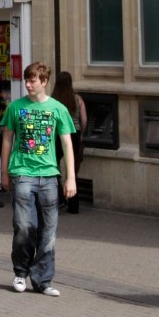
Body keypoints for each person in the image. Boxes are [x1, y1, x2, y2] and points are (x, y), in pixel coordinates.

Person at [0, 62, 76, 297]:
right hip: (22, 174)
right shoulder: (15, 108)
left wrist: (70, 177)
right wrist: (3, 172)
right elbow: (7, 140)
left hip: (49, 176)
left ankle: (42, 279)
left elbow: (66, 143)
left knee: (48, 232)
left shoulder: (58, 109)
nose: (28, 85)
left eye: (33, 81)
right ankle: (21, 272)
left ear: (44, 82)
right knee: (24, 226)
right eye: (26, 80)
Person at [57, 70, 88, 214]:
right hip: (74, 133)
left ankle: (58, 197)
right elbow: (84, 120)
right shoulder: (77, 99)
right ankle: (73, 205)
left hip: (57, 134)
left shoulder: (54, 99)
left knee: (52, 166)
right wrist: (81, 133)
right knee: (72, 169)